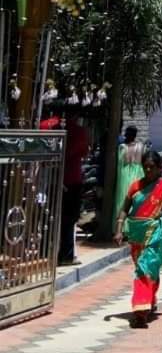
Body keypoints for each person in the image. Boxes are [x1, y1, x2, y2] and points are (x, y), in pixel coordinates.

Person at [114, 150, 162, 327]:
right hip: (137, 233)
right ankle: (150, 299)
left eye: (152, 167)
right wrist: (119, 229)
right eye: (145, 167)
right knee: (149, 269)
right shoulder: (135, 187)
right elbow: (125, 209)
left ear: (158, 168)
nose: (148, 170)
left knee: (144, 267)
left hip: (155, 231)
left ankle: (140, 311)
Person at [58, 112, 90, 266]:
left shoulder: (51, 126)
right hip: (71, 178)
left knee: (54, 218)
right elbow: (84, 152)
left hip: (54, 176)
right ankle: (67, 254)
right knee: (69, 219)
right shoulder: (78, 131)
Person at [112, 125, 145, 229]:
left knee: (129, 200)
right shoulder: (124, 147)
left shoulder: (135, 147)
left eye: (128, 133)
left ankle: (127, 227)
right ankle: (125, 228)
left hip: (131, 177)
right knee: (127, 200)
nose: (126, 135)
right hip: (130, 176)